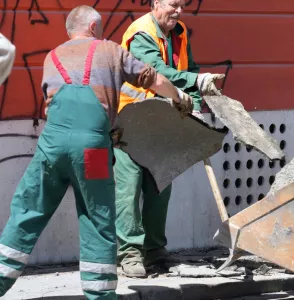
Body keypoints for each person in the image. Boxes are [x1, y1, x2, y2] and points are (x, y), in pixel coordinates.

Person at [0, 5, 192, 300]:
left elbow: (52, 103)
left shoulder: (52, 57)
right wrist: (179, 97)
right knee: (97, 217)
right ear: (92, 27)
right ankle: (100, 295)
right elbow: (153, 79)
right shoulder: (111, 51)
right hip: (92, 152)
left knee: (27, 210)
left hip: (51, 148)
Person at [114, 0, 224, 277]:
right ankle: (129, 254)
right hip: (130, 123)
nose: (178, 11)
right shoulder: (140, 33)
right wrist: (195, 81)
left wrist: (196, 108)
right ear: (155, 4)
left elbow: (190, 70)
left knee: (160, 187)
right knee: (128, 191)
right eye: (173, 4)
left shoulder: (180, 32)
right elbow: (156, 73)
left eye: (182, 5)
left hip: (162, 124)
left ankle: (154, 252)